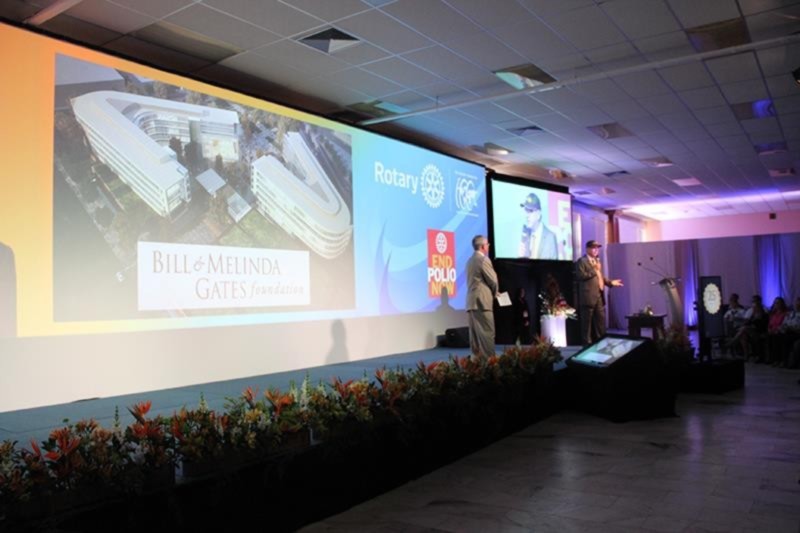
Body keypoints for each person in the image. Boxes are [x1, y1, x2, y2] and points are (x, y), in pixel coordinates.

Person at [575, 240, 623, 345]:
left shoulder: (596, 261)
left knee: (601, 323)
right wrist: (594, 269)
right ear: (587, 249)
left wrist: (610, 282)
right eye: (594, 248)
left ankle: (602, 344)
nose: (596, 250)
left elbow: (599, 277)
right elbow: (580, 276)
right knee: (586, 326)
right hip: (588, 297)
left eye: (597, 248)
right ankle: (586, 346)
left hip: (599, 295)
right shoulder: (582, 261)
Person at [466, 235, 498, 357]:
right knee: (487, 335)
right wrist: (495, 293)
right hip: (482, 303)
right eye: (487, 244)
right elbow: (493, 280)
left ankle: (477, 365)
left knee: (475, 338)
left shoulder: (469, 261)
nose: (489, 246)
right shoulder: (483, 260)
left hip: (471, 302)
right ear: (483, 246)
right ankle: (490, 364)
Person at [518, 193, 558, 260]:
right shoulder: (526, 235)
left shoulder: (550, 237)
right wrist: (521, 258)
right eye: (526, 211)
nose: (527, 215)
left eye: (530, 211)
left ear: (538, 214)